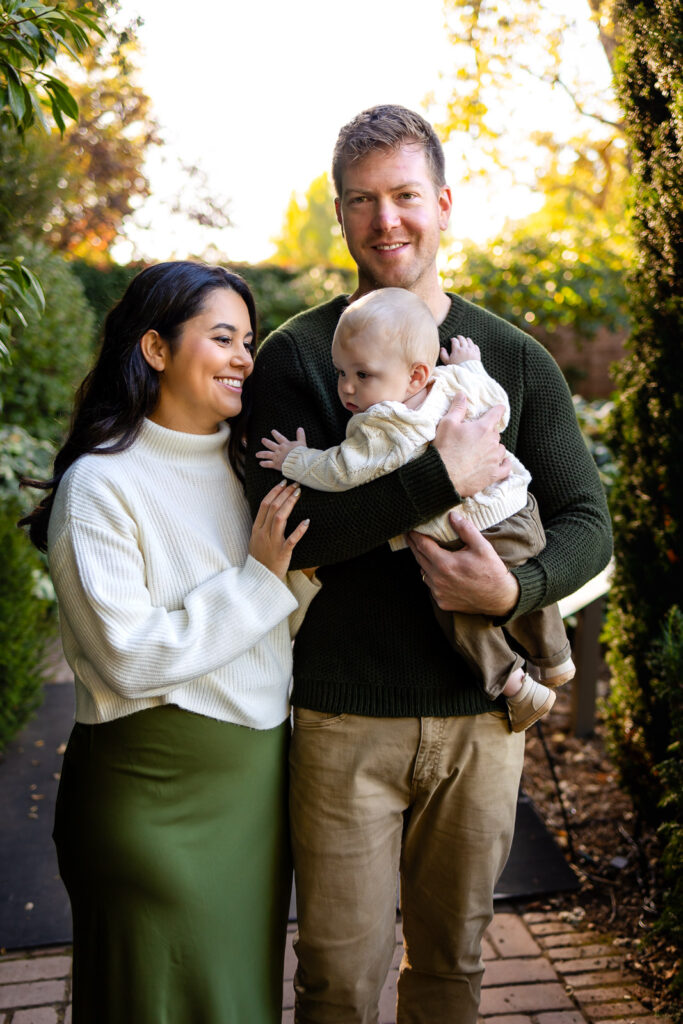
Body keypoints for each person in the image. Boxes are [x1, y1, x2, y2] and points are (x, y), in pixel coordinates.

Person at [245, 104, 612, 1024]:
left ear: (443, 203)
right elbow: (296, 533)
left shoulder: (512, 362)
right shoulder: (298, 360)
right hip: (341, 715)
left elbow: (585, 523)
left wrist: (514, 588)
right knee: (336, 976)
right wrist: (439, 476)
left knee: (451, 965)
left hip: (479, 722)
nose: (387, 221)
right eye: (363, 201)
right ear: (340, 215)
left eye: (406, 195)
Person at [20, 261, 319, 1024]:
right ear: (155, 349)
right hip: (145, 800)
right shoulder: (100, 486)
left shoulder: (254, 470)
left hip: (252, 795)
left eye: (248, 341)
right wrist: (259, 580)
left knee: (237, 1002)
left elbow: (283, 620)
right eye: (222, 338)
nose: (244, 359)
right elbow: (128, 656)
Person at [256, 286, 576, 732]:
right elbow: (496, 406)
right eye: (340, 372)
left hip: (459, 532)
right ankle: (557, 659)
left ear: (413, 376)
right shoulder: (451, 382)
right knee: (526, 563)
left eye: (362, 375)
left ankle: (514, 685)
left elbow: (340, 469)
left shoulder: (381, 426)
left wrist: (294, 458)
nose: (346, 388)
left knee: (457, 609)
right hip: (516, 509)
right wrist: (471, 365)